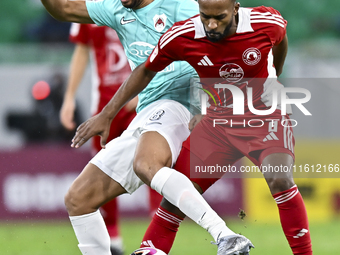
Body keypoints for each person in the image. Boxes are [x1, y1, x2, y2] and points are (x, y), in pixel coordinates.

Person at [40, 0, 254, 255]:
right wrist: (107, 113)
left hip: (180, 102)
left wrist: (205, 102)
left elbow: (226, 40)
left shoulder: (180, 6)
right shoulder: (115, 8)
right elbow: (63, 9)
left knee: (146, 164)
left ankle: (225, 235)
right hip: (148, 111)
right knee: (78, 198)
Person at [131, 0, 313, 254]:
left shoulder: (265, 23)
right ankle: (147, 250)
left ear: (236, 9)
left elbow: (280, 39)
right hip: (218, 124)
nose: (212, 24)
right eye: (206, 16)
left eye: (220, 17)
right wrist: (107, 114)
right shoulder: (183, 35)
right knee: (175, 200)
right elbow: (146, 69)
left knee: (280, 178)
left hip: (266, 115)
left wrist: (275, 71)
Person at [59, 23, 138, 255]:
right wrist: (69, 98)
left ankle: (155, 242)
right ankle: (113, 241)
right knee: (103, 170)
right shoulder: (87, 6)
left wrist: (147, 91)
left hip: (141, 101)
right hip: (103, 106)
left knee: (153, 163)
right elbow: (82, 49)